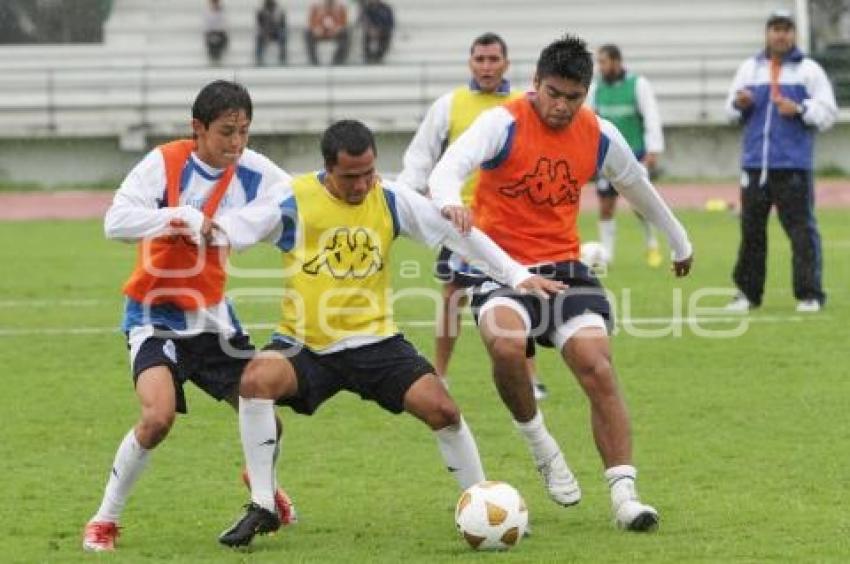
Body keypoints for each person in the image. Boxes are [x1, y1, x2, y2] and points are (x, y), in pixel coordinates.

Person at [217, 119, 563, 547]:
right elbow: (238, 228)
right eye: (350, 177)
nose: (362, 185)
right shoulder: (293, 198)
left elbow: (459, 236)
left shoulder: (392, 197)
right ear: (328, 168)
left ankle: (485, 505)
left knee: (444, 411)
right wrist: (206, 231)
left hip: (376, 342)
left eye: (369, 173)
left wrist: (516, 274)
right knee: (254, 382)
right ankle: (263, 504)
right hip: (306, 344)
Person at [429, 35, 694, 531]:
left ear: (586, 93)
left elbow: (635, 184)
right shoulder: (502, 122)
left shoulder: (598, 134)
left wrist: (679, 240)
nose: (561, 106)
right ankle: (541, 446)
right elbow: (447, 170)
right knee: (506, 346)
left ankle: (625, 497)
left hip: (565, 271)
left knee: (597, 366)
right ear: (535, 83)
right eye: (553, 93)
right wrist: (449, 200)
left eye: (573, 97)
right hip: (502, 269)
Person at [82, 81, 296, 552]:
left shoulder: (255, 171)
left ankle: (263, 489)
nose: (236, 144)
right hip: (153, 315)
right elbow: (115, 221)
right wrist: (178, 216)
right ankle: (105, 519)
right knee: (157, 417)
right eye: (226, 132)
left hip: (214, 319)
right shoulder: (165, 162)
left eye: (244, 132)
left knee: (268, 420)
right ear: (197, 128)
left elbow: (301, 199)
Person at [396, 32, 548, 400]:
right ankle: (440, 376)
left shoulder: (523, 105)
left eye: (494, 59)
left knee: (520, 290)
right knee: (452, 296)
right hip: (461, 222)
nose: (486, 66)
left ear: (506, 64)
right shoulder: (449, 105)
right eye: (480, 59)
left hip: (514, 221)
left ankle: (531, 377)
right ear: (470, 63)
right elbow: (420, 156)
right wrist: (401, 196)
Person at [724, 9, 837, 313]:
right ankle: (747, 294)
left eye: (786, 29)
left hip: (792, 166)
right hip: (754, 165)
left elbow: (828, 112)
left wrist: (799, 109)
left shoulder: (809, 70)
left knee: (801, 231)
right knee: (751, 232)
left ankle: (809, 294)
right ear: (767, 33)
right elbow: (729, 110)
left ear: (794, 34)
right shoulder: (750, 68)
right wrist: (739, 103)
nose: (780, 34)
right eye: (775, 28)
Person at [588, 44, 665, 267]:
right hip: (606, 157)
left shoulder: (638, 85)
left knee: (639, 204)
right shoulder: (596, 89)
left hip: (635, 155)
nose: (600, 67)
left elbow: (651, 116)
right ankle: (607, 256)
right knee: (605, 204)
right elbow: (590, 123)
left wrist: (653, 150)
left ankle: (652, 243)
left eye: (603, 62)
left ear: (616, 61)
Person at [305, 0, 350, 65]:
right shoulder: (316, 7)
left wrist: (337, 29)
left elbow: (344, 24)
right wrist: (315, 29)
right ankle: (314, 62)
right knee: (307, 33)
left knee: (346, 34)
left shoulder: (340, 8)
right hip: (320, 33)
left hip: (335, 34)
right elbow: (311, 23)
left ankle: (337, 61)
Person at [255, 0, 287, 66]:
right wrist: (266, 33)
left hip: (276, 32)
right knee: (259, 37)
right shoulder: (261, 12)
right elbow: (260, 25)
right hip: (266, 32)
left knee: (282, 35)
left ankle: (283, 56)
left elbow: (283, 25)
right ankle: (259, 57)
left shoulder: (280, 12)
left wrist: (276, 24)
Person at [204, 0, 228, 65]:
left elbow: (223, 24)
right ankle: (213, 57)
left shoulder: (222, 12)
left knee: (220, 41)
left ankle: (218, 56)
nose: (214, 5)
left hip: (220, 33)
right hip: (211, 33)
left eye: (215, 3)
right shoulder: (207, 12)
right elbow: (207, 25)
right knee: (211, 40)